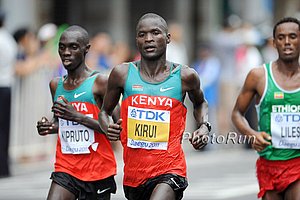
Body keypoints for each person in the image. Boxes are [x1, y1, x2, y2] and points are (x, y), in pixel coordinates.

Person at [98, 13, 210, 200]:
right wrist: (107, 127)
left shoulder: (185, 76)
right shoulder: (121, 74)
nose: (148, 39)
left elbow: (200, 103)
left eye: (155, 33)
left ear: (167, 38)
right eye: (142, 34)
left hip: (170, 169)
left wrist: (204, 127)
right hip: (134, 175)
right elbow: (104, 113)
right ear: (136, 40)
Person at [36, 25, 119, 200]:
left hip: (97, 170)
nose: (66, 52)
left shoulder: (100, 82)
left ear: (86, 49)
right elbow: (60, 122)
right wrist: (49, 126)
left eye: (73, 47)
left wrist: (77, 116)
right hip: (66, 167)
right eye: (62, 47)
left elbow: (116, 130)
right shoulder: (55, 85)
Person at [232, 17, 300, 199]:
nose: (287, 42)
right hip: (269, 164)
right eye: (281, 37)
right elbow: (237, 113)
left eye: (293, 36)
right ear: (273, 42)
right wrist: (251, 134)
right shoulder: (258, 76)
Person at [0, 9, 17, 178]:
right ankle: (4, 167)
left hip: (3, 85)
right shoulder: (6, 38)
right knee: (4, 128)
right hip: (5, 85)